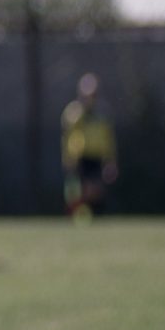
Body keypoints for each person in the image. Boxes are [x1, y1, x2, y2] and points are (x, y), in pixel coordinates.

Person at [62, 73, 117, 222]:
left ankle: (95, 215)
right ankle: (77, 215)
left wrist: (111, 160)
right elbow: (68, 134)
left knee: (96, 189)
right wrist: (67, 156)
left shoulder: (102, 114)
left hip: (97, 156)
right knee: (81, 190)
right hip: (81, 156)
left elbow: (108, 139)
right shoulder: (74, 112)